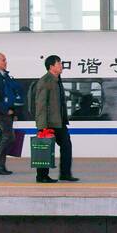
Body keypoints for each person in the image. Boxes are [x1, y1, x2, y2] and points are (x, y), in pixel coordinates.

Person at [31, 55, 78, 183]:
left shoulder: (57, 80)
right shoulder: (45, 81)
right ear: (51, 66)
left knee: (66, 145)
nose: (61, 66)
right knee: (44, 148)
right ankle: (41, 176)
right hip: (48, 122)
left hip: (59, 122)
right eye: (59, 63)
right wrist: (42, 127)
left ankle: (65, 173)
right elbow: (41, 105)